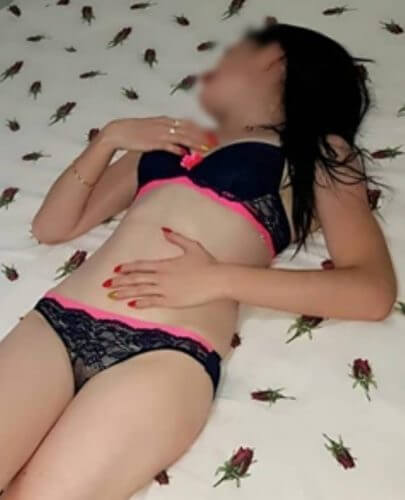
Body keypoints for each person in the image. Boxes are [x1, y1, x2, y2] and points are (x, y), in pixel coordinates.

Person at [0, 23, 396, 500]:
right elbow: (52, 227)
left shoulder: (319, 150)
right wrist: (108, 140)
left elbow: (371, 291)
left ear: (279, 62)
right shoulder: (170, 136)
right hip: (60, 321)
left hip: (168, 349)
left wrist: (218, 279)